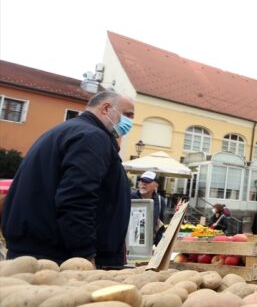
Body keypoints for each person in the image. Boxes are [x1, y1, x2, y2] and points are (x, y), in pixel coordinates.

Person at [2, 90, 134, 268]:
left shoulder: (69, 131)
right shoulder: (92, 137)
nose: (130, 122)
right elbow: (77, 198)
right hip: (57, 259)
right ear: (106, 108)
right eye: (127, 115)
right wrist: (85, 254)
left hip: (40, 251)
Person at [131, 171, 167, 245]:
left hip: (149, 244)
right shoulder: (130, 197)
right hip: (129, 242)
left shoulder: (160, 201)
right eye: (142, 181)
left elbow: (160, 226)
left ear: (156, 185)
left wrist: (158, 246)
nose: (143, 183)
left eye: (147, 181)